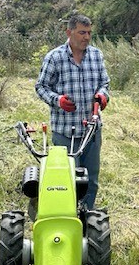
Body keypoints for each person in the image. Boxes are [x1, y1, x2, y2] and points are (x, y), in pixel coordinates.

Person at [35, 12, 110, 210]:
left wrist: (103, 95)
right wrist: (57, 100)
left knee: (90, 179)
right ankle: (68, 215)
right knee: (68, 179)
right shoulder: (54, 58)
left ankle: (86, 217)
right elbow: (41, 87)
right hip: (65, 131)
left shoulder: (96, 55)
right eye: (81, 32)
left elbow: (105, 83)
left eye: (89, 33)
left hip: (91, 131)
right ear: (69, 32)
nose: (86, 37)